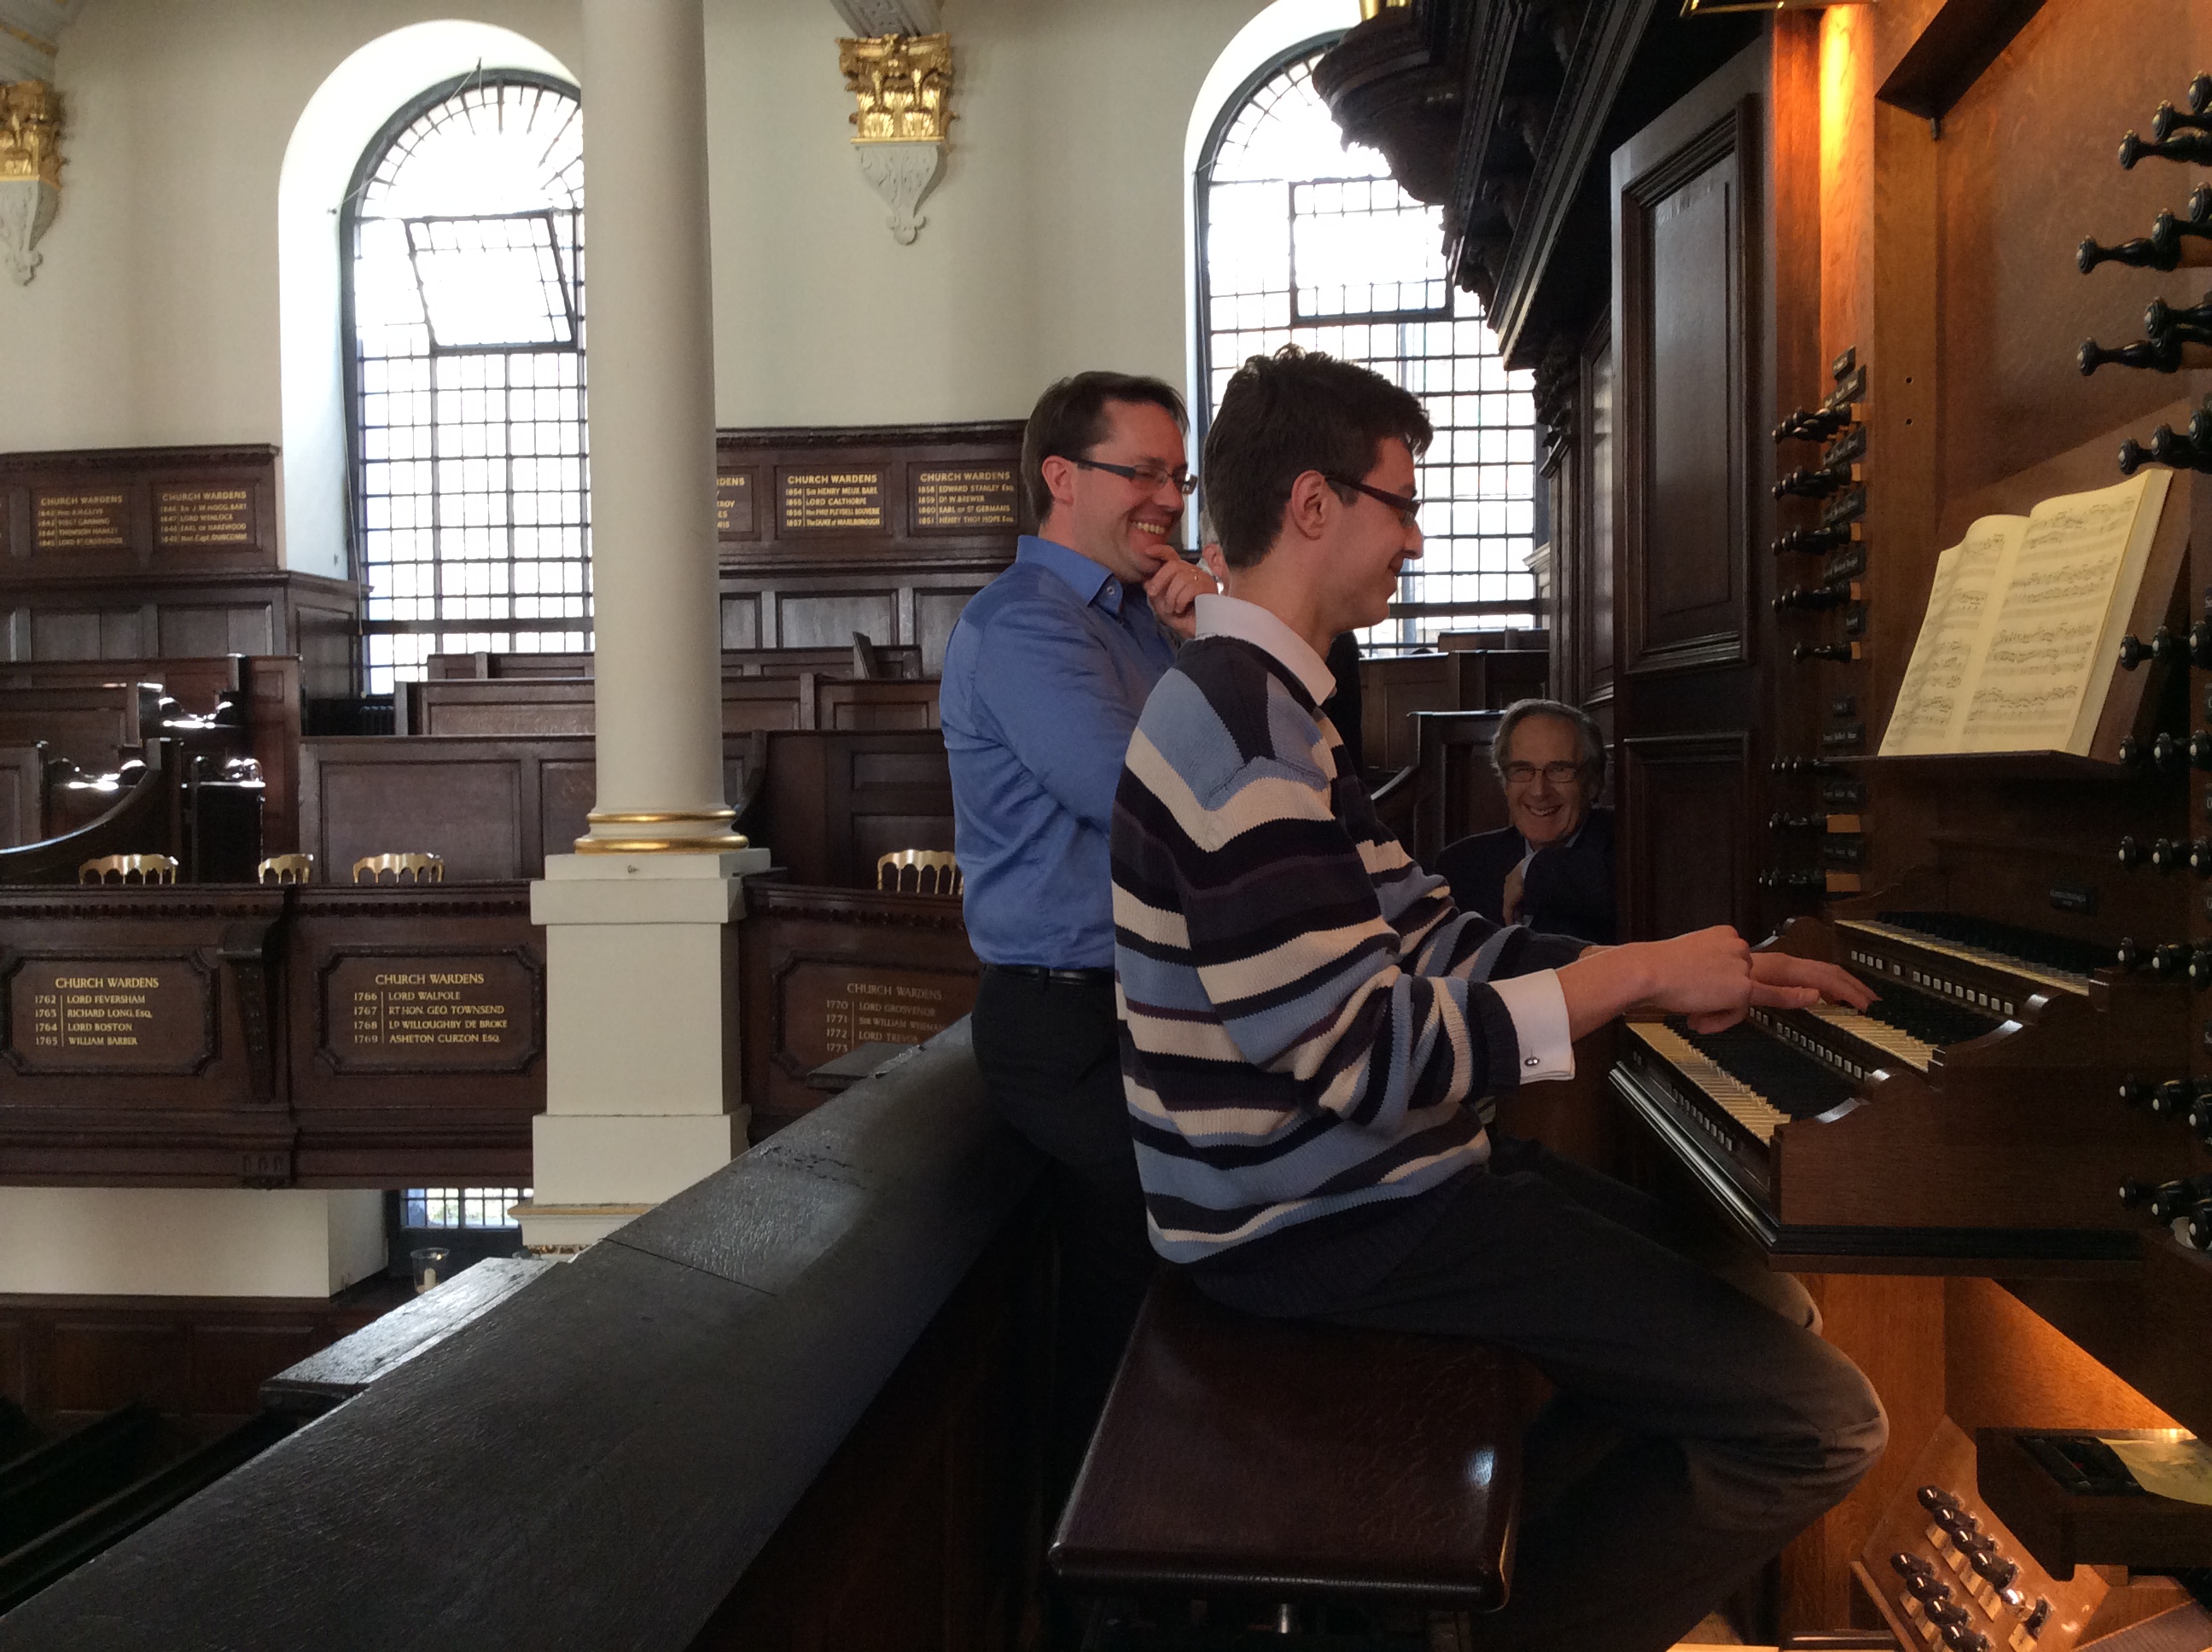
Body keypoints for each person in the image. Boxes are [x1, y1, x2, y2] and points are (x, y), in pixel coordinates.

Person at [1110, 345, 1886, 1652]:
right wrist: (1628, 976)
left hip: (1362, 1189)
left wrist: (1701, 973)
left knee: (1774, 1315)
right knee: (1821, 1420)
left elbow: (1425, 932)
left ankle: (1498, 1600)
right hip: (1310, 1223)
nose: (1416, 537)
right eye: (1400, 504)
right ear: (1313, 505)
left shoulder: (1277, 710)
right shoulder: (1238, 736)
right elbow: (1365, 1057)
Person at [940, 370, 1217, 1498]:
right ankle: (1107, 1583)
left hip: (1151, 1005)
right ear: (1062, 476)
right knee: (1139, 1300)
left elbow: (1244, 774)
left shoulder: (1143, 621)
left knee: (1190, 1281)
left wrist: (1207, 640)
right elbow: (1152, 801)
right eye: (1141, 472)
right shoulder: (1024, 625)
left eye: (1175, 475)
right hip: (1067, 1017)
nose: (1166, 496)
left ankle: (1187, 1548)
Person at [1435, 696, 1615, 942]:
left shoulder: (1626, 850)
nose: (1539, 791)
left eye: (1559, 770)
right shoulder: (1460, 865)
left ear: (1593, 782)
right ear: (1505, 782)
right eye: (1522, 770)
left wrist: (1531, 873)